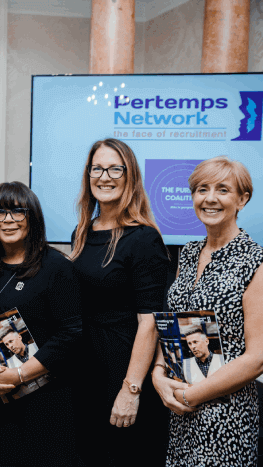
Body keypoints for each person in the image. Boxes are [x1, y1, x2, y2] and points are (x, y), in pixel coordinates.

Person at [152, 156, 263, 466]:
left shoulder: (259, 263)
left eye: (223, 189)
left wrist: (191, 396)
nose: (209, 198)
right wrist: (159, 375)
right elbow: (177, 322)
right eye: (201, 189)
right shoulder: (188, 252)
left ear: (242, 198)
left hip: (226, 415)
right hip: (181, 411)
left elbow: (260, 357)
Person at [0, 181, 83, 466]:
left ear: (32, 217)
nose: (8, 220)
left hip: (42, 405)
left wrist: (20, 375)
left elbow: (70, 335)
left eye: (18, 212)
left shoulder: (57, 268)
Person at [70, 138, 169, 466]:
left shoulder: (144, 239)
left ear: (130, 176)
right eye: (97, 168)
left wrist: (131, 390)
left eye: (115, 168)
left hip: (123, 375)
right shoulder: (82, 232)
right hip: (86, 374)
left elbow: (150, 323)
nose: (105, 176)